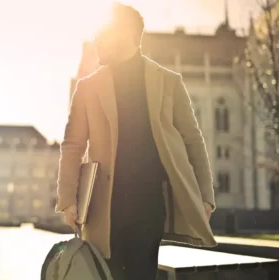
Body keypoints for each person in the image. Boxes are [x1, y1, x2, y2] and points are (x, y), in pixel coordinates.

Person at [55, 3, 216, 279]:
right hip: (103, 210)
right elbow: (72, 145)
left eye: (102, 34)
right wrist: (68, 198)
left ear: (125, 34)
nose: (96, 40)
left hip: (149, 207)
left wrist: (206, 196)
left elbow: (193, 140)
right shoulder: (87, 87)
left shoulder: (169, 82)